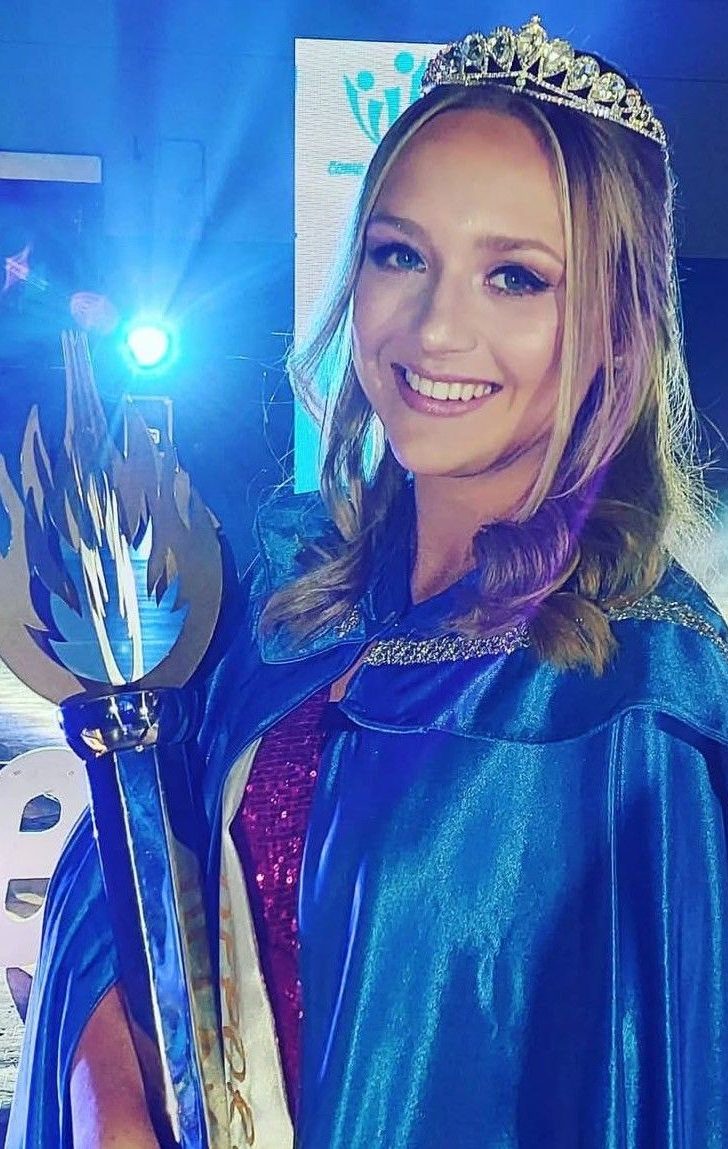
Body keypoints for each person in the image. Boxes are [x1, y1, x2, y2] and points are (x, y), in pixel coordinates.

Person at [8, 14, 728, 1148]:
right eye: (401, 255)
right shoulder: (286, 599)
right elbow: (125, 863)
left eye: (514, 277)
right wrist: (107, 1099)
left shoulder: (637, 708)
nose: (435, 329)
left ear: (615, 326)